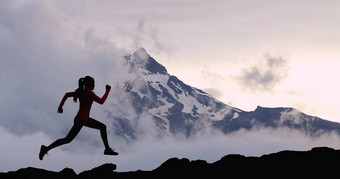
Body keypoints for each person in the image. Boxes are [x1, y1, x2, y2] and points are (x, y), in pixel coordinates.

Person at [39, 76, 118, 160]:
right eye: (93, 83)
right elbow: (101, 101)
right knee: (102, 127)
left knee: (67, 139)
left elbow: (67, 94)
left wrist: (60, 107)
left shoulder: (81, 91)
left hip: (80, 119)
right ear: (89, 84)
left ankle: (46, 148)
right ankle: (107, 149)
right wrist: (107, 90)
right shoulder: (89, 92)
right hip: (82, 119)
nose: (94, 85)